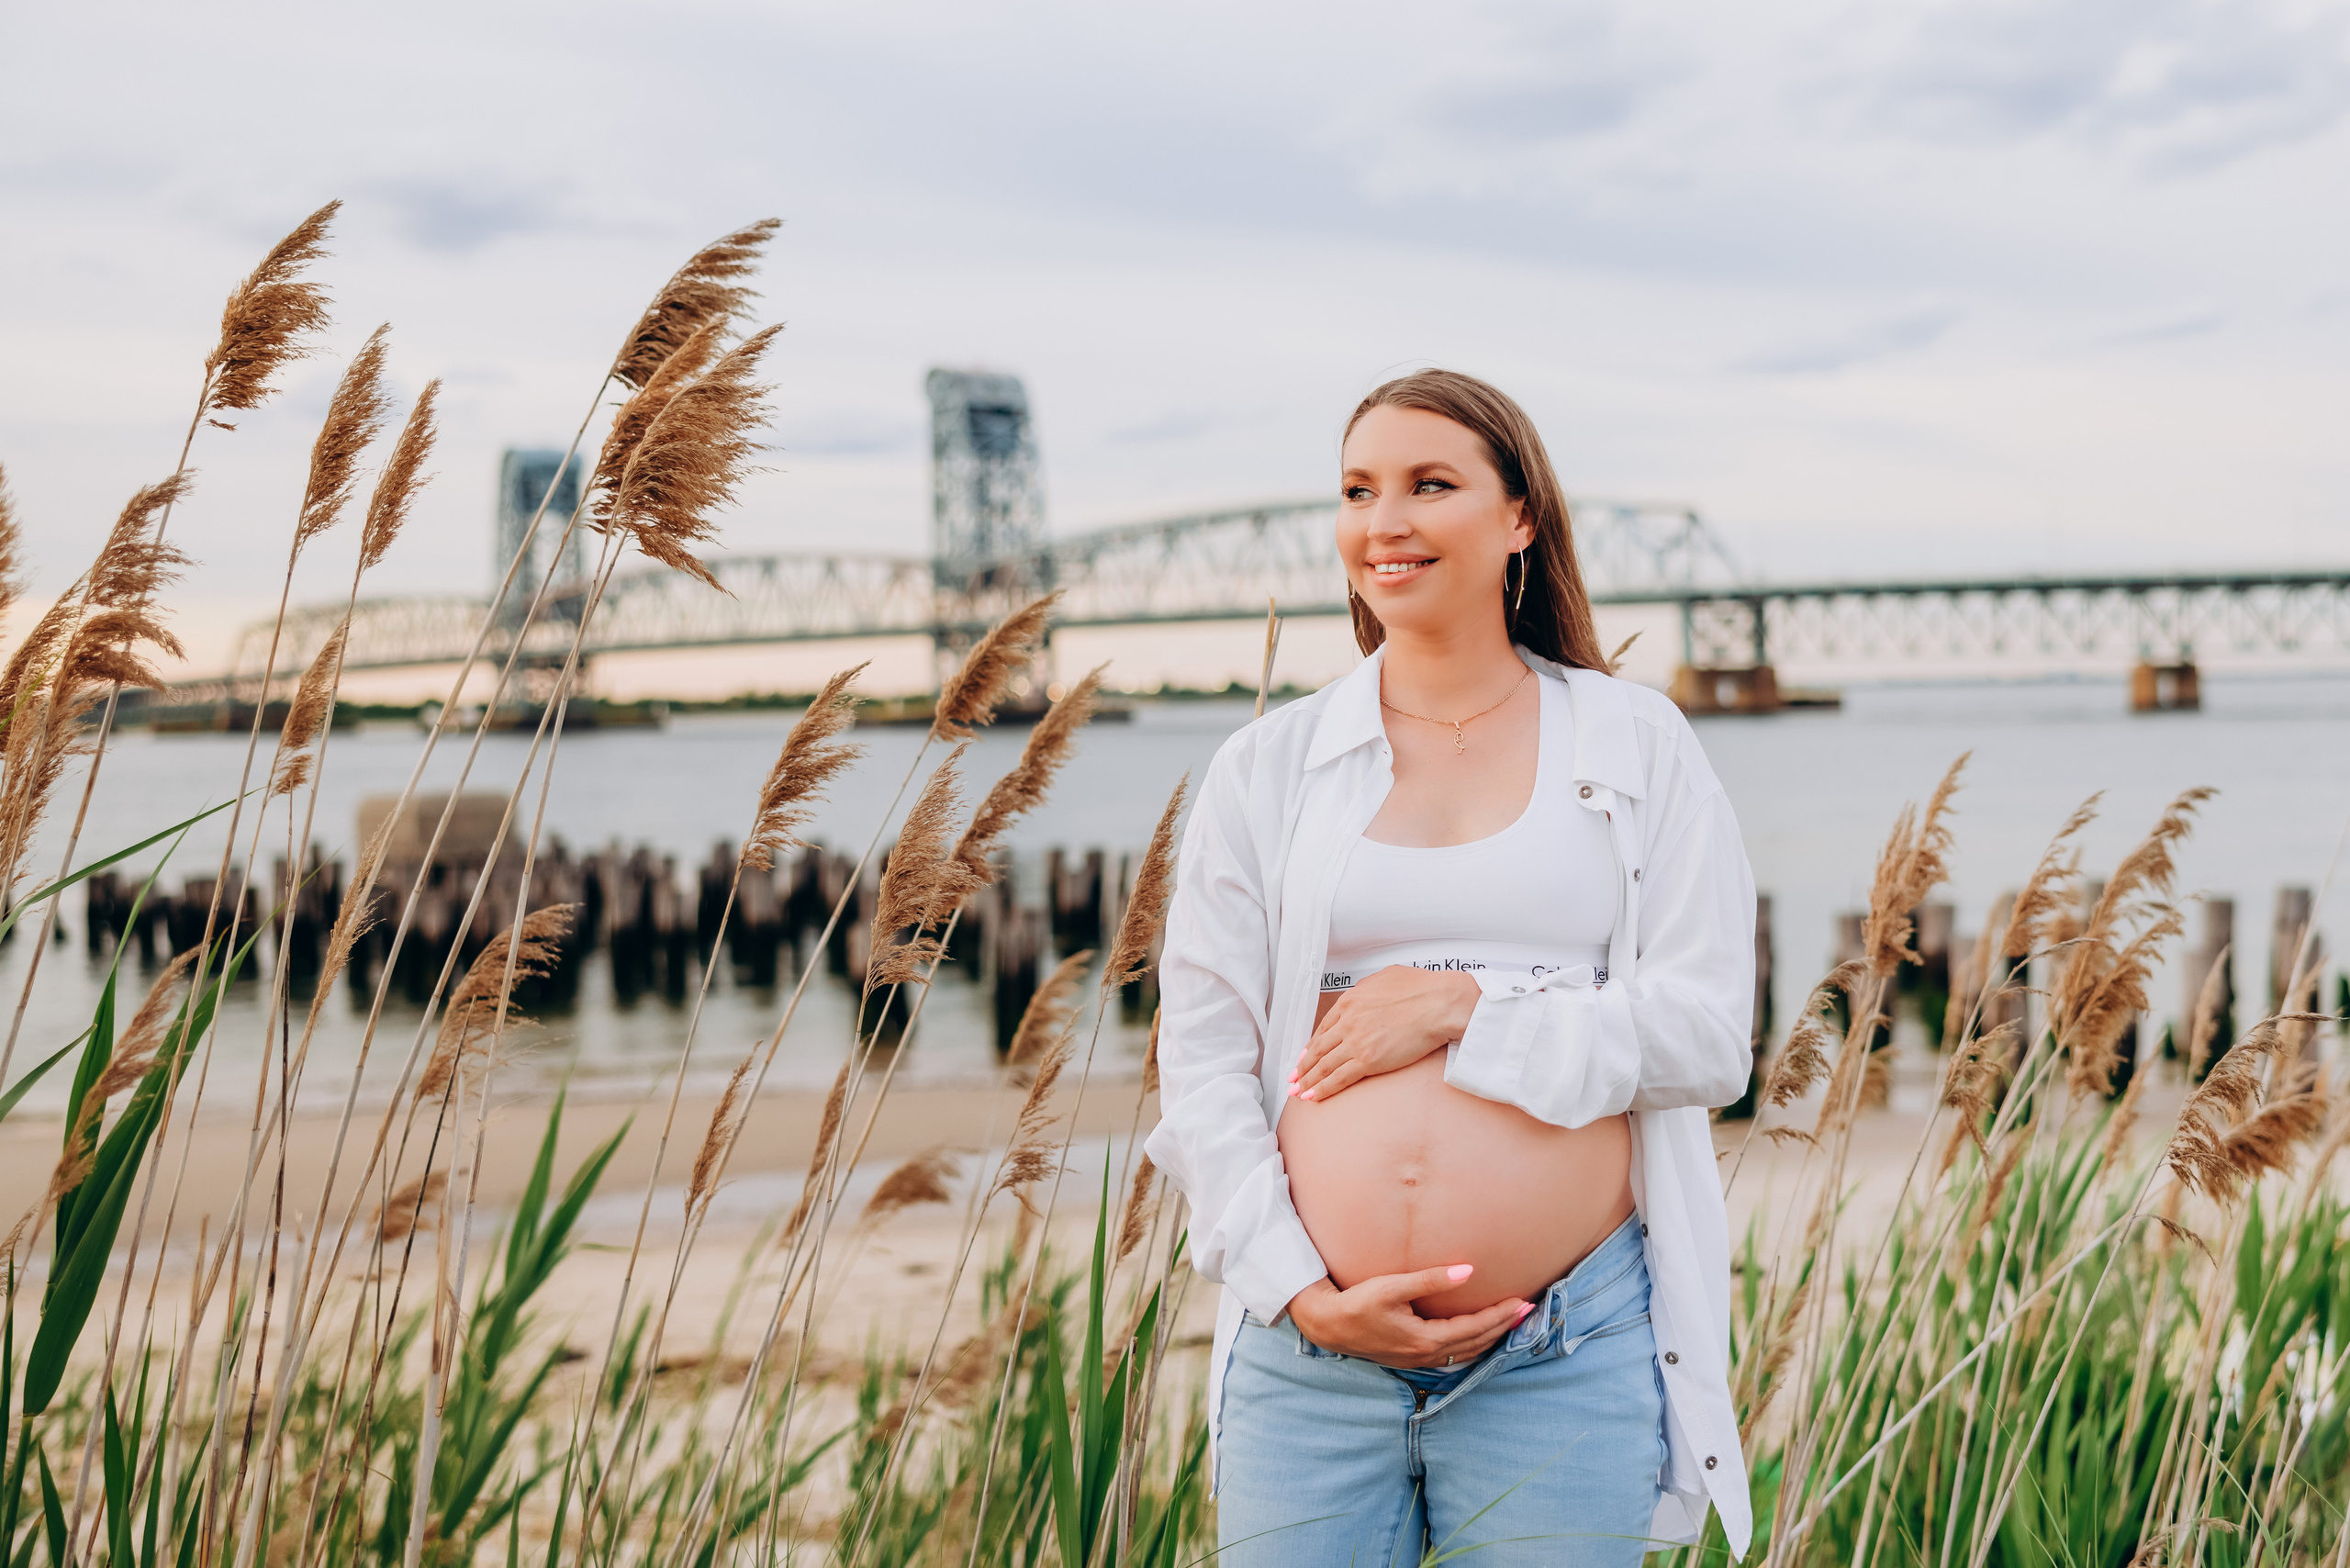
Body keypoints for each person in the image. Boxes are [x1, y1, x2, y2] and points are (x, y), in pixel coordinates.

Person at [1144, 370, 1757, 1566]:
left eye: (1430, 485)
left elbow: (1705, 1037)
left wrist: (1467, 1011)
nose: (1385, 522)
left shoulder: (1636, 743)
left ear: (1521, 516)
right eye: (1357, 491)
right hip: (1309, 1357)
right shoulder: (1266, 767)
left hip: (1560, 1352)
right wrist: (1296, 1288)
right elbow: (1203, 1059)